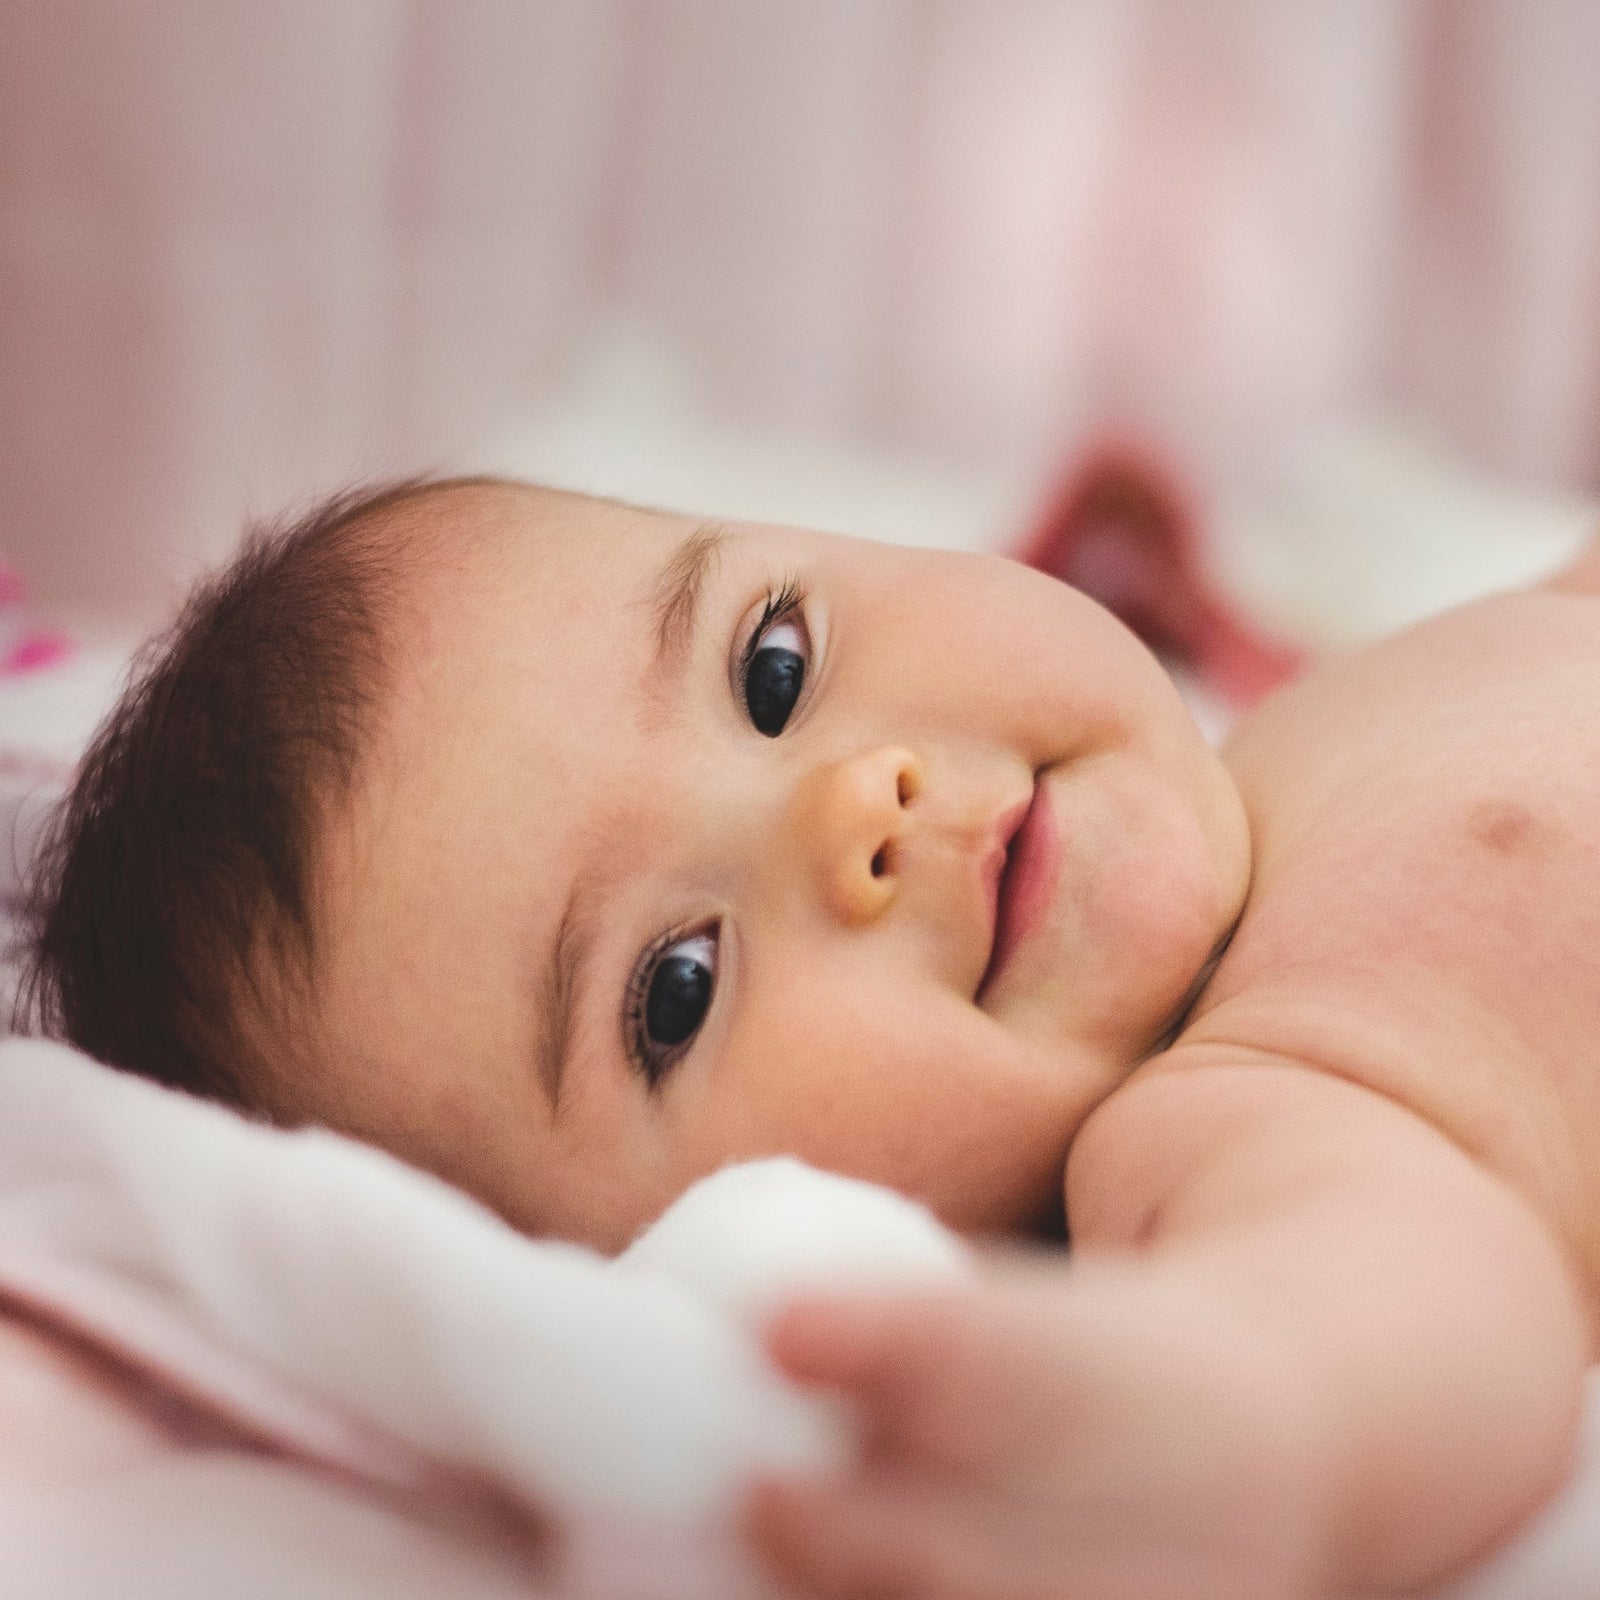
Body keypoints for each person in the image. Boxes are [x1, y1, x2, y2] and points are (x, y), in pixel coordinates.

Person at [19, 476, 1599, 1597]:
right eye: (676, 990)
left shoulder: (1309, 730)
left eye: (773, 668)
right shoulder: (1244, 1102)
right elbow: (1418, 1316)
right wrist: (1251, 1426)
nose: (857, 809)